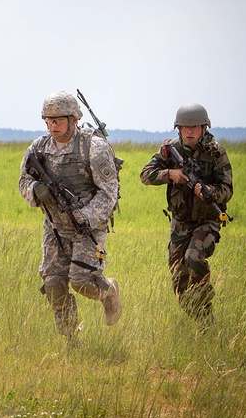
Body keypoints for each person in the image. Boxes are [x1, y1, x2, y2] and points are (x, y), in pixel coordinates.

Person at [18, 91, 122, 345]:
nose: (53, 126)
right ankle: (72, 339)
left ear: (74, 119)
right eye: (48, 120)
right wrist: (35, 190)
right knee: (53, 284)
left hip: (88, 226)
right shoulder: (39, 148)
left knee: (82, 281)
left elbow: (109, 191)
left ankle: (108, 291)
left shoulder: (93, 147)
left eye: (58, 120)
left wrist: (84, 217)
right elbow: (23, 180)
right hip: (55, 226)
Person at [139, 103, 232, 324]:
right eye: (184, 127)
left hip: (207, 220)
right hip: (180, 222)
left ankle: (206, 307)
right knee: (178, 278)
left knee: (194, 257)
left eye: (194, 127)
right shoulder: (169, 150)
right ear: (178, 129)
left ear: (204, 128)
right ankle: (200, 319)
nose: (189, 131)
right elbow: (145, 174)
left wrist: (210, 192)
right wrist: (170, 174)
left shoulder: (216, 152)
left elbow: (227, 190)